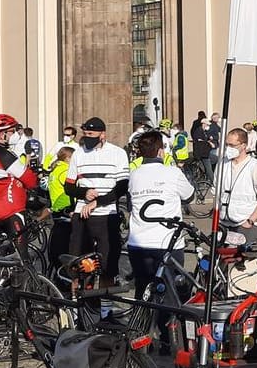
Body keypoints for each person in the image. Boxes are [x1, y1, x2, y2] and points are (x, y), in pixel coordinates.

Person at [125, 130, 196, 300]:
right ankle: (166, 324)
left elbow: (129, 204)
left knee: (142, 289)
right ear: (160, 151)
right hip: (166, 242)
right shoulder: (172, 172)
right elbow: (189, 196)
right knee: (170, 291)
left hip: (138, 242)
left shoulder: (134, 174)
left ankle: (141, 324)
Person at [67, 117, 131, 279]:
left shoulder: (118, 153)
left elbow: (122, 187)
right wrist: (84, 192)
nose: (87, 137)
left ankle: (106, 303)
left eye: (91, 134)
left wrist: (97, 202)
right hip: (82, 215)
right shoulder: (78, 154)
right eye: (85, 133)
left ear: (102, 134)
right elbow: (68, 186)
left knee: (107, 264)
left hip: (107, 215)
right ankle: (78, 301)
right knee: (77, 264)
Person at [217, 127, 257, 233]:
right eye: (227, 144)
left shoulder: (256, 167)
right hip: (223, 223)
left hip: (245, 224)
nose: (228, 148)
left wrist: (250, 221)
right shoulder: (222, 164)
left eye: (232, 145)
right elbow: (217, 192)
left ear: (243, 146)